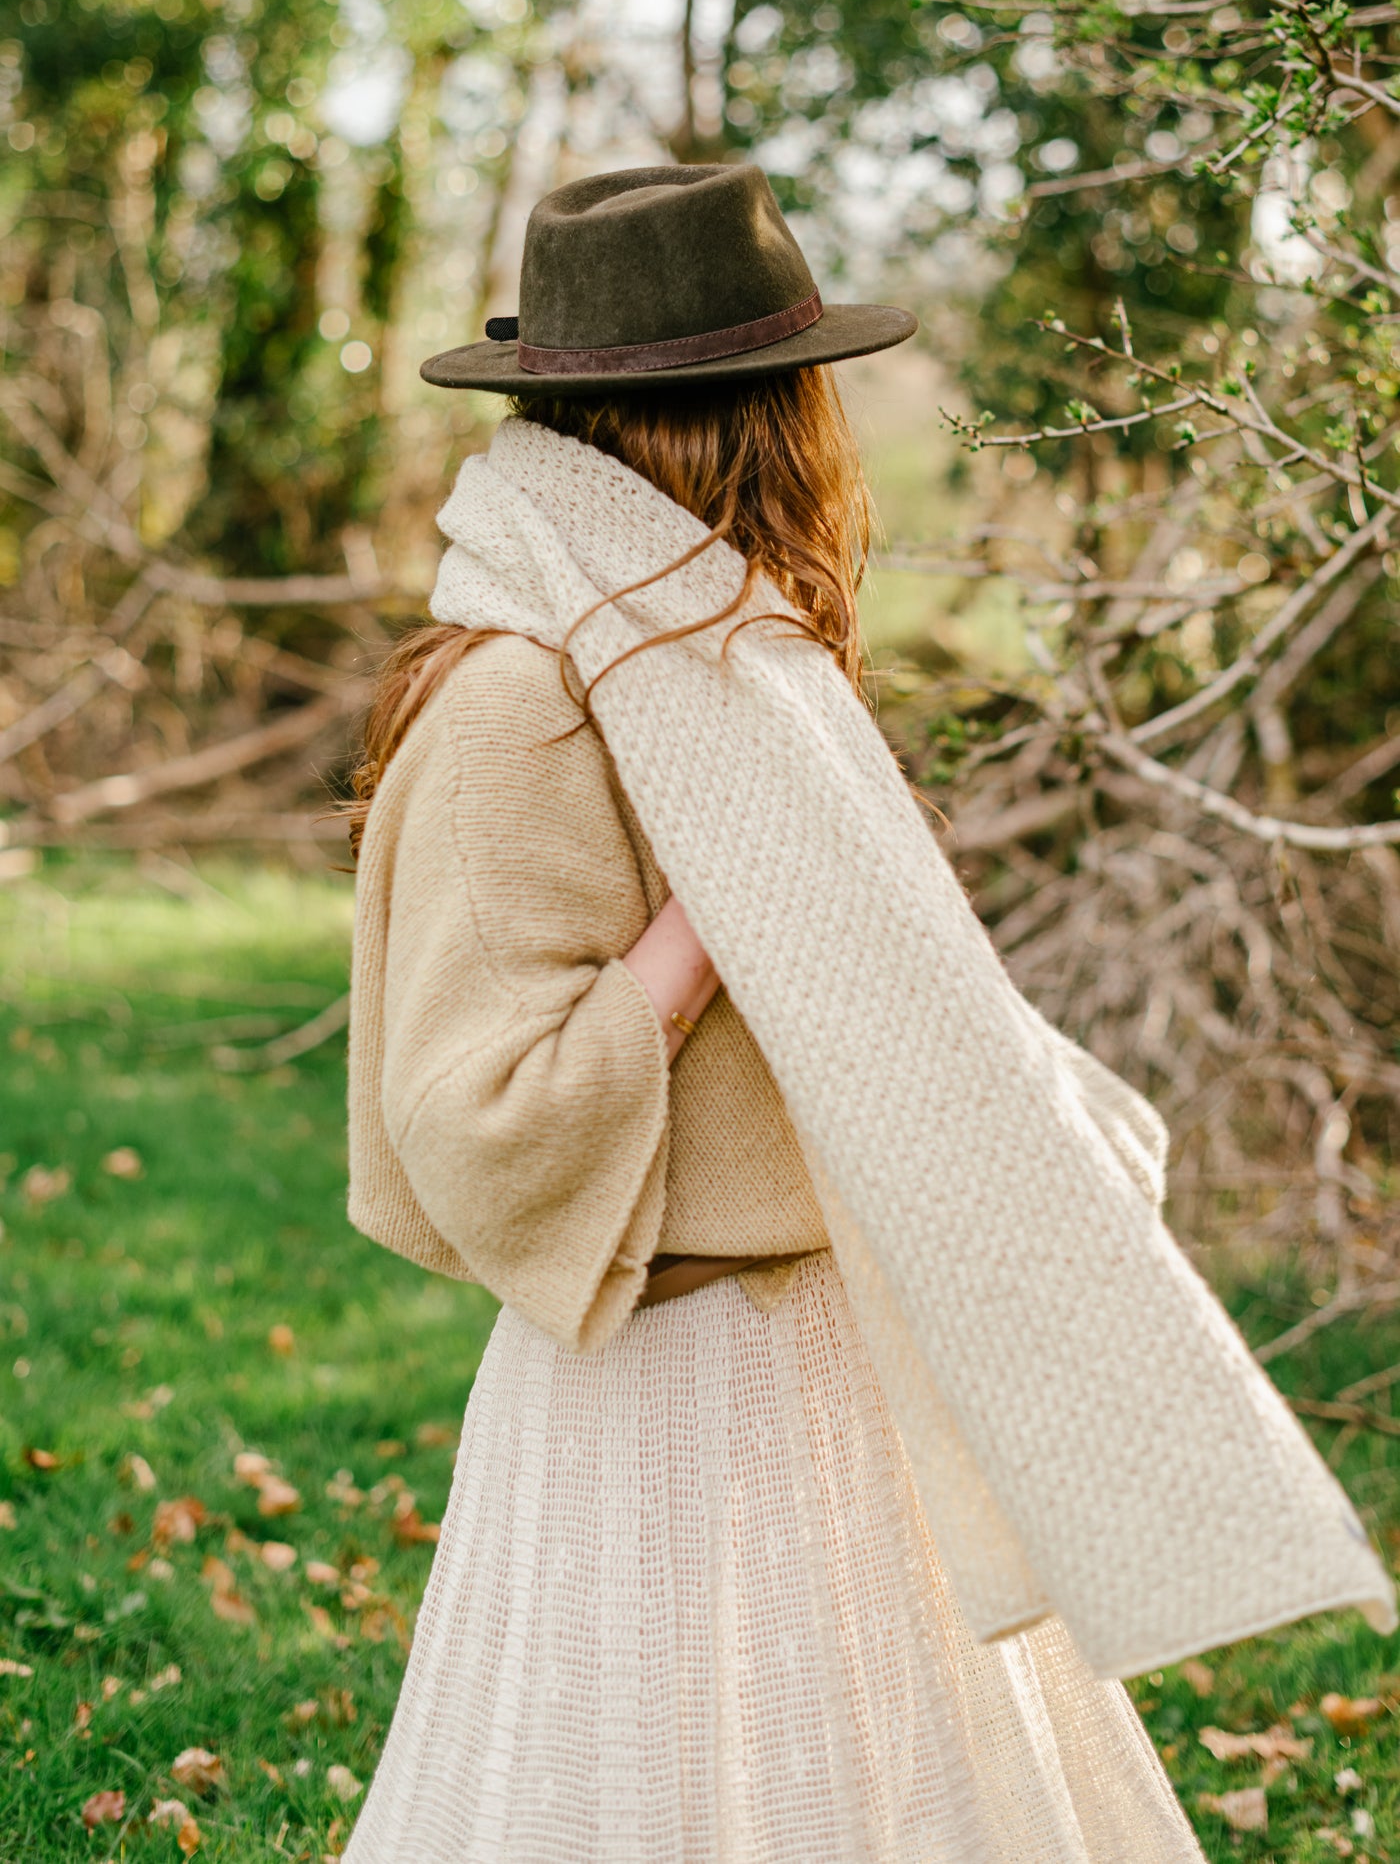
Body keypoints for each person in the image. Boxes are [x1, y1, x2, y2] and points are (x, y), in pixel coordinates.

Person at [339, 165, 1390, 1863]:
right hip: (659, 1386)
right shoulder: (523, 701)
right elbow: (475, 1122)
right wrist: (706, 922)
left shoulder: (719, 663)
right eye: (803, 390)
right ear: (749, 419)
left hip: (829, 1347)